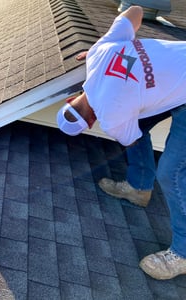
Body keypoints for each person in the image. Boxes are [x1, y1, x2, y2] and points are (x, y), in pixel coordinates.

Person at [56, 5, 186, 280]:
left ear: (91, 124)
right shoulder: (99, 53)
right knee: (137, 123)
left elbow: (131, 139)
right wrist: (100, 48)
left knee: (172, 173)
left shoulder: (111, 118)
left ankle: (183, 254)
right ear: (71, 99)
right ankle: (139, 188)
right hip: (180, 69)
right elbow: (136, 10)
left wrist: (121, 122)